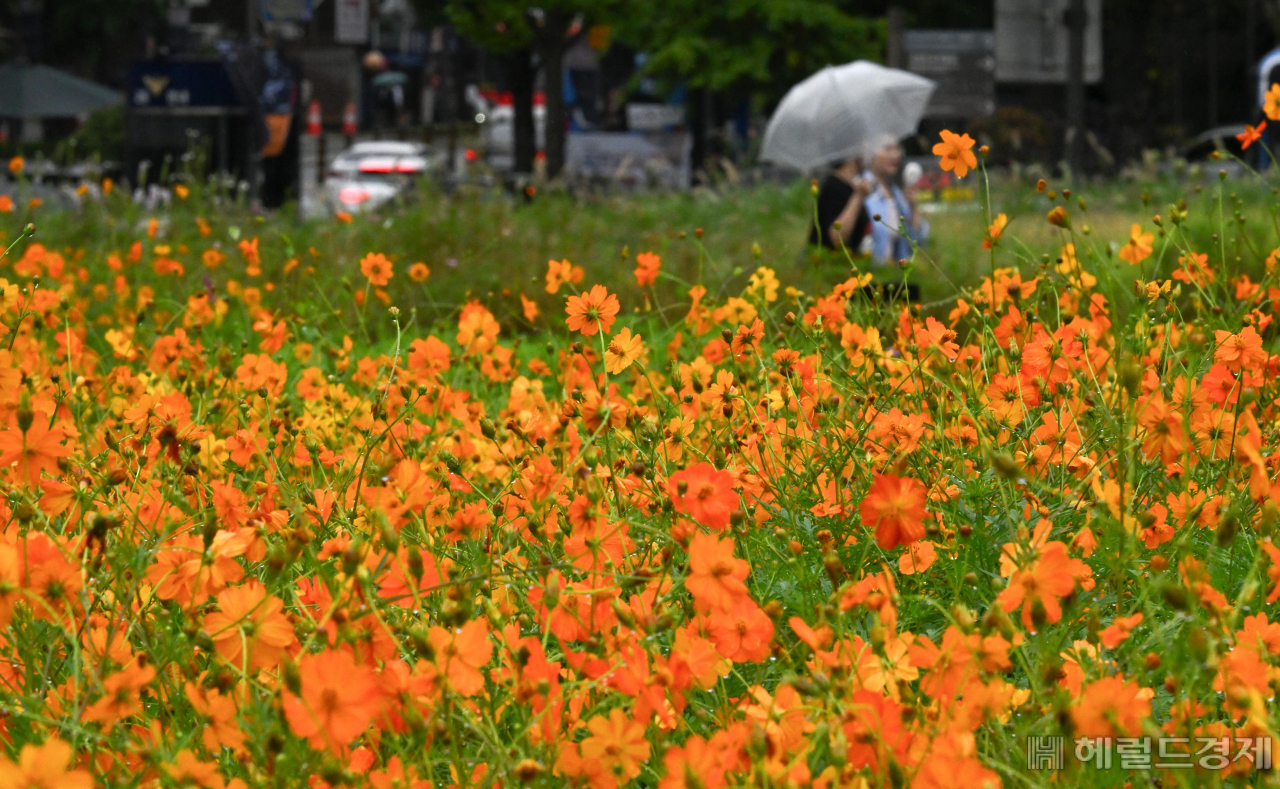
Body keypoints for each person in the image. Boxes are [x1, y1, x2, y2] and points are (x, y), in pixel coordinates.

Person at [862, 135, 928, 265]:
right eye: (887, 148)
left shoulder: (896, 194)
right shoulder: (860, 190)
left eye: (897, 149)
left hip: (896, 274)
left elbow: (916, 241)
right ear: (869, 154)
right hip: (869, 273)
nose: (895, 155)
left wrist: (913, 207)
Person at [809, 157, 872, 252]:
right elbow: (837, 237)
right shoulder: (834, 187)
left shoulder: (851, 187)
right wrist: (858, 196)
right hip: (829, 262)